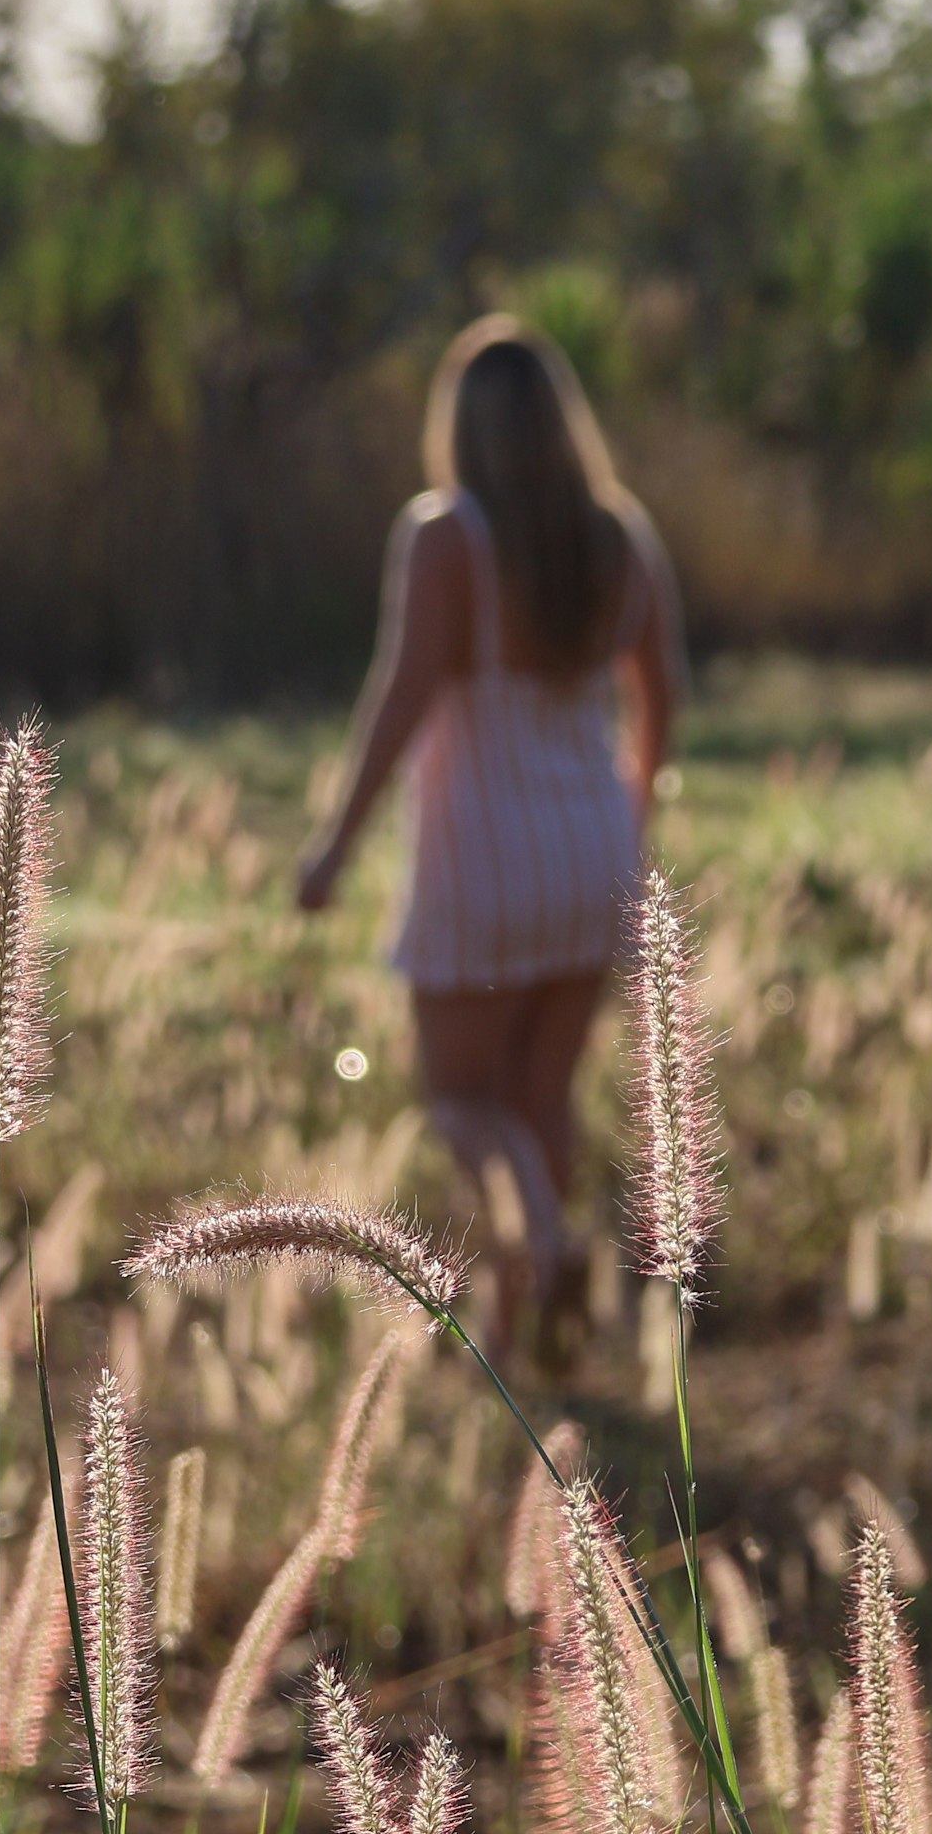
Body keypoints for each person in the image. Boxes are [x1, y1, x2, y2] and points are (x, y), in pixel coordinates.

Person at [295, 315, 682, 1364]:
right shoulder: (619, 535)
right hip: (592, 850)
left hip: (481, 857)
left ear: (460, 425)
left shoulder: (446, 534)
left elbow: (403, 697)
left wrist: (334, 845)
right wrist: (628, 820)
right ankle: (519, 1322)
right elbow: (663, 698)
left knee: (463, 1100)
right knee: (538, 1097)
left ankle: (543, 1250)